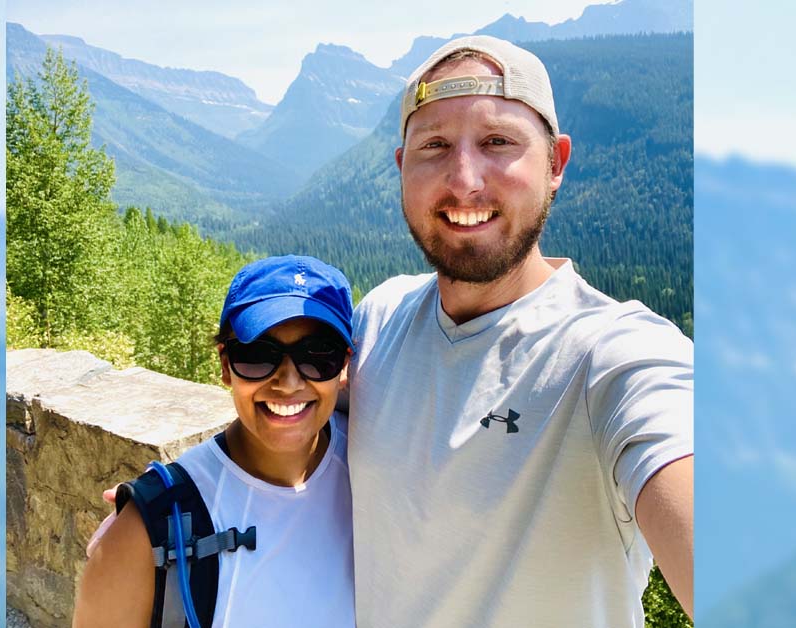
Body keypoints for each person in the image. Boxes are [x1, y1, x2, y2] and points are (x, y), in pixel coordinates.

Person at [346, 35, 694, 627]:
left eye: (497, 142)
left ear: (555, 163)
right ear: (403, 167)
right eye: (434, 146)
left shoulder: (614, 357)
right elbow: (284, 430)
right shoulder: (378, 319)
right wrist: (174, 497)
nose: (464, 182)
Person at [73, 255, 356, 628]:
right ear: (225, 366)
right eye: (257, 356)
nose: (288, 383)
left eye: (319, 357)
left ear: (345, 367)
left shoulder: (373, 462)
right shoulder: (147, 533)